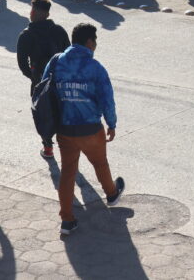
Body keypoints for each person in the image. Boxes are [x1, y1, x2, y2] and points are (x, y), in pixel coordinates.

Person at [43, 23, 124, 236]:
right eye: (95, 41)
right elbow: (107, 99)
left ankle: (67, 220)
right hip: (90, 128)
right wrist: (112, 123)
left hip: (65, 130)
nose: (95, 45)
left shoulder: (56, 62)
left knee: (68, 172)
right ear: (89, 42)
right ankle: (112, 193)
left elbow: (43, 89)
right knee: (99, 162)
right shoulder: (95, 67)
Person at [16, 0, 70, 159]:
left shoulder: (26, 35)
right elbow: (68, 53)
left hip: (39, 82)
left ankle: (48, 147)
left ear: (33, 12)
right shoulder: (59, 30)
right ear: (48, 14)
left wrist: (33, 77)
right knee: (61, 113)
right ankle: (65, 146)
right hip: (61, 81)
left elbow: (22, 62)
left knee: (42, 114)